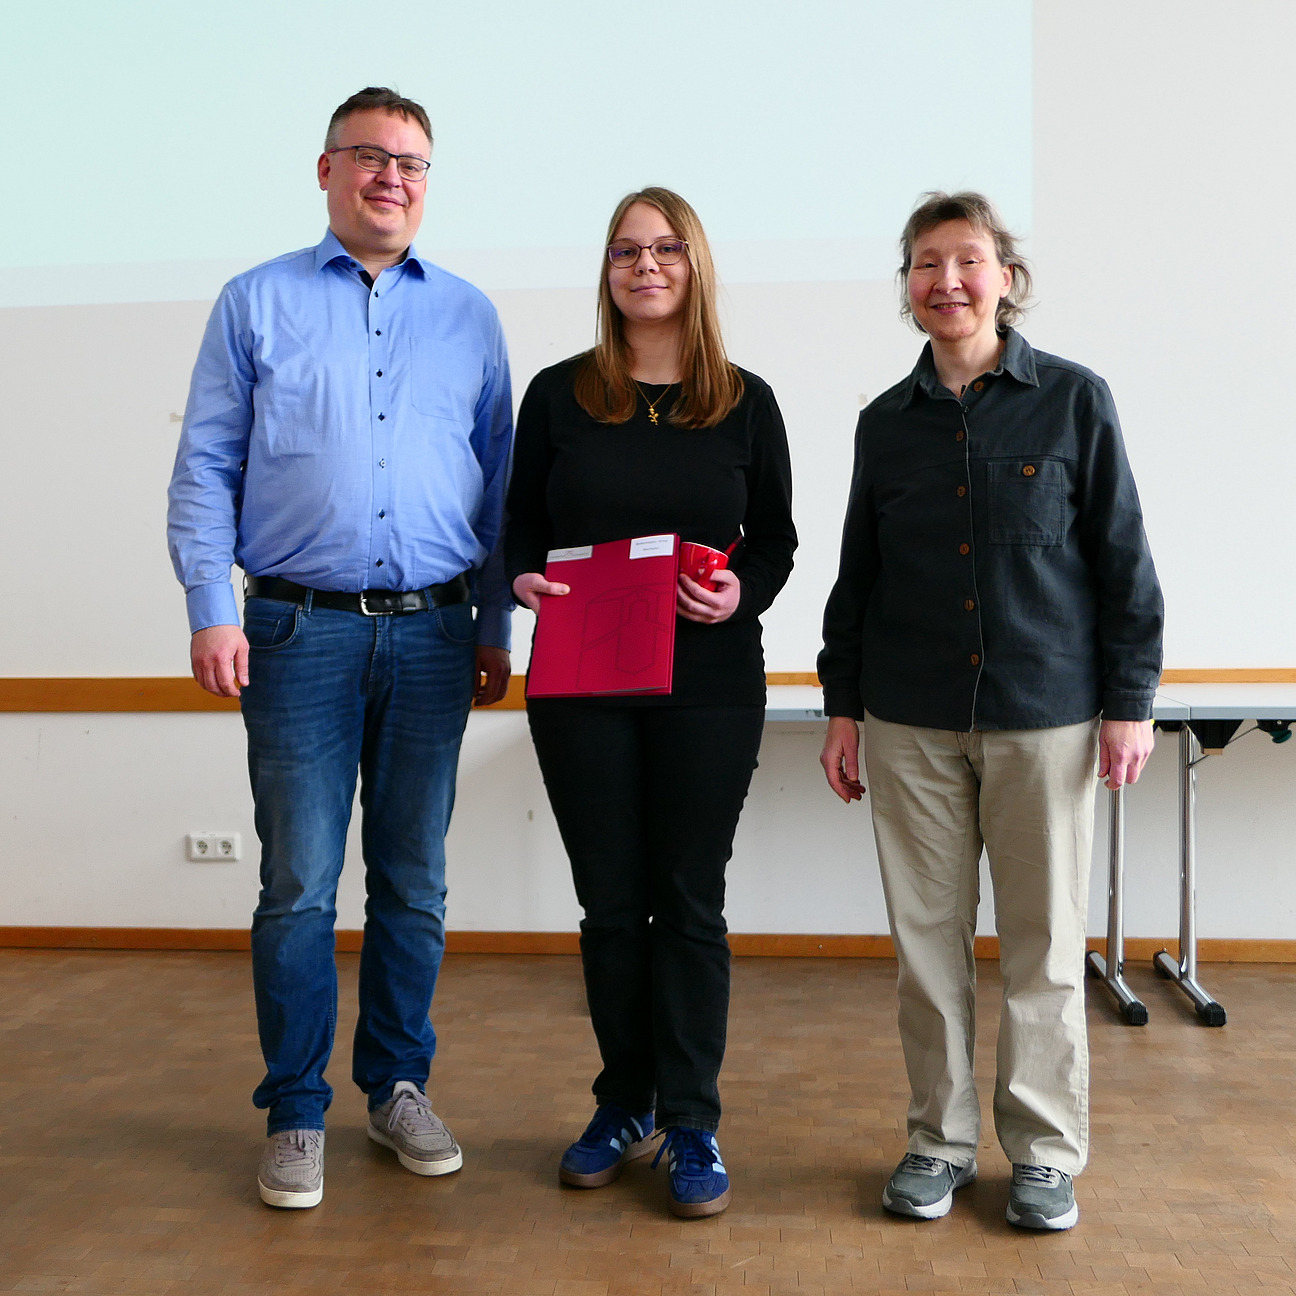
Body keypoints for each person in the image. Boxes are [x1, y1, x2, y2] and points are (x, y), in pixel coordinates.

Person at [166, 87, 513, 1209]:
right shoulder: (255, 301)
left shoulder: (469, 316)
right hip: (293, 631)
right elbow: (205, 465)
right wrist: (209, 606)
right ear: (327, 170)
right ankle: (297, 1111)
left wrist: (494, 625)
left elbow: (499, 485)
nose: (390, 178)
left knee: (414, 882)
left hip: (436, 634)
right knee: (299, 887)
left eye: (411, 163)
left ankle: (398, 1086)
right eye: (369, 156)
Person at [818, 192, 1163, 1231]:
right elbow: (858, 577)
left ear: (1006, 277)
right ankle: (939, 1141)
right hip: (909, 718)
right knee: (927, 951)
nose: (948, 281)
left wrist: (1129, 702)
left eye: (967, 260)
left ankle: (1045, 1154)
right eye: (926, 264)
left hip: (1043, 714)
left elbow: (1123, 561)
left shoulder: (1074, 401)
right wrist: (843, 708)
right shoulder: (885, 423)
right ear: (908, 288)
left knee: (1044, 948)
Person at [505, 187, 796, 1219]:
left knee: (689, 899)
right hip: (582, 680)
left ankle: (692, 1119)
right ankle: (623, 1102)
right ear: (607, 270)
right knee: (610, 903)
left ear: (695, 265)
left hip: (710, 685)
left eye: (667, 248)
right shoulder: (558, 395)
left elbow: (775, 541)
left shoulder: (746, 401)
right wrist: (521, 577)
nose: (646, 265)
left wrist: (739, 591)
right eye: (627, 250)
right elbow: (518, 527)